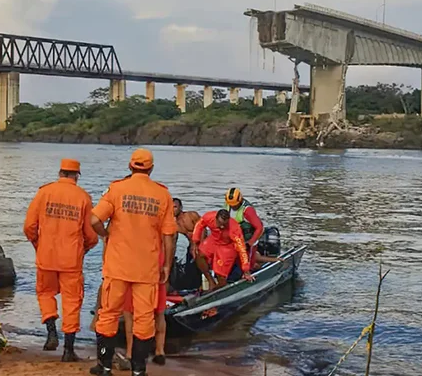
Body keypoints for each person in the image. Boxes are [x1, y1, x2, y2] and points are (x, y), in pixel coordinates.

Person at [90, 148, 177, 376]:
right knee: (144, 318)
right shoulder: (162, 195)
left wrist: (106, 235)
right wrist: (167, 265)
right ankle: (139, 370)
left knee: (108, 314)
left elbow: (93, 219)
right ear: (151, 168)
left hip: (117, 266)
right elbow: (169, 236)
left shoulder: (117, 189)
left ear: (130, 166)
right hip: (147, 269)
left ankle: (105, 366)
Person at [23, 158, 98, 361]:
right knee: (72, 301)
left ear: (60, 172)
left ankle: (51, 332)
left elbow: (29, 226)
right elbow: (91, 235)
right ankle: (68, 350)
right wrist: (85, 248)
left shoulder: (44, 192)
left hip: (46, 256)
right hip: (71, 260)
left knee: (45, 293)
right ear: (77, 175)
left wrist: (39, 245)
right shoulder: (83, 197)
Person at [192, 210, 254, 290]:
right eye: (220, 223)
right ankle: (211, 281)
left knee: (220, 275)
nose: (222, 227)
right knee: (199, 254)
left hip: (227, 245)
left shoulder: (234, 229)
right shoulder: (209, 217)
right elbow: (199, 225)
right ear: (216, 219)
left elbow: (242, 249)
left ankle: (219, 288)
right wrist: (195, 242)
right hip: (214, 239)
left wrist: (246, 270)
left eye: (224, 225)